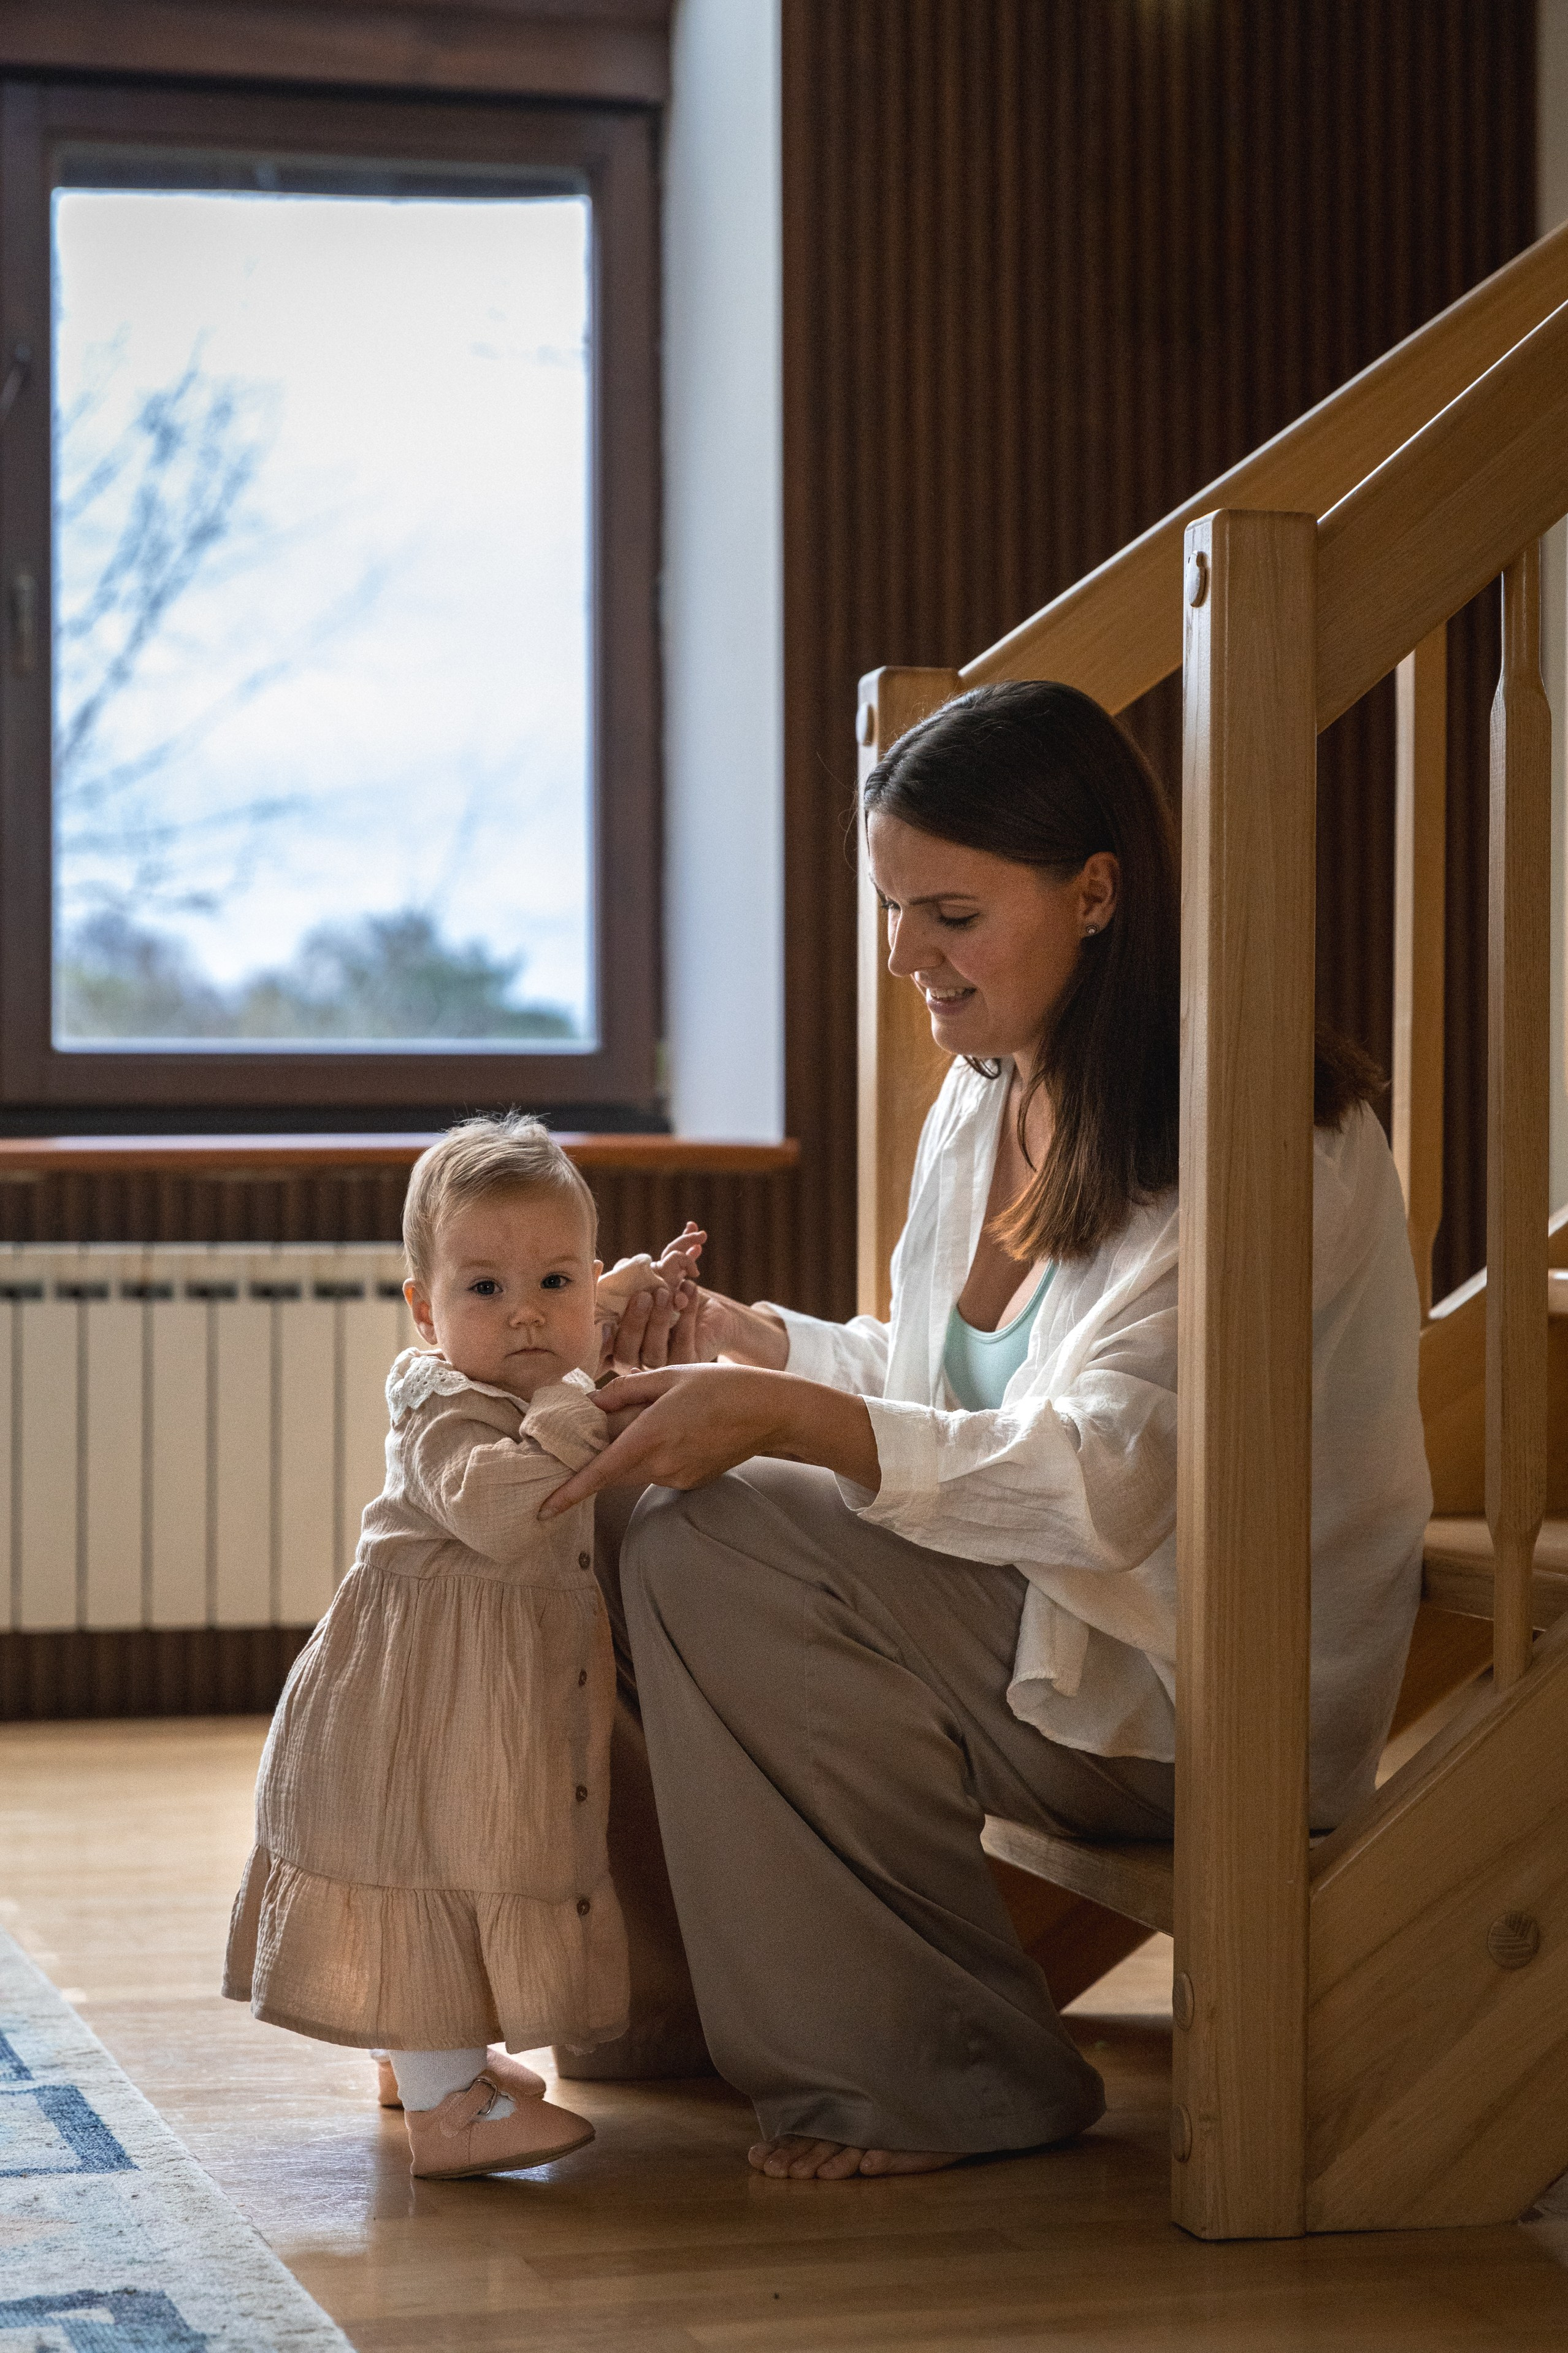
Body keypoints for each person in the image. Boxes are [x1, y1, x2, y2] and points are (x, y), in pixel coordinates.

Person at [543, 679, 1434, 2181]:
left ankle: (946, 2071)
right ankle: (663, 2000)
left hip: (1181, 1672)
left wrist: (784, 1419)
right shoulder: (996, 1092)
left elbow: (1109, 1481)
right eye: (895, 910)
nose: (909, 957)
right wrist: (743, 1344)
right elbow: (939, 1372)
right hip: (1040, 1615)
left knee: (718, 1533)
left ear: (1095, 895)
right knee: (605, 1485)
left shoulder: (1266, 1134)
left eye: (950, 912)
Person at [223, 1115, 698, 2180]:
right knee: (429, 1866)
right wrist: (580, 1390)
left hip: (475, 1693)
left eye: (557, 1283)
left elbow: (561, 1348)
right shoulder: (442, 1403)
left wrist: (613, 1303)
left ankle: (423, 2053)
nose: (527, 1316)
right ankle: (452, 2117)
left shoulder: (531, 1379)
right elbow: (503, 1508)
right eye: (483, 1290)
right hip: (415, 1705)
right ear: (425, 1310)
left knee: (470, 1856)